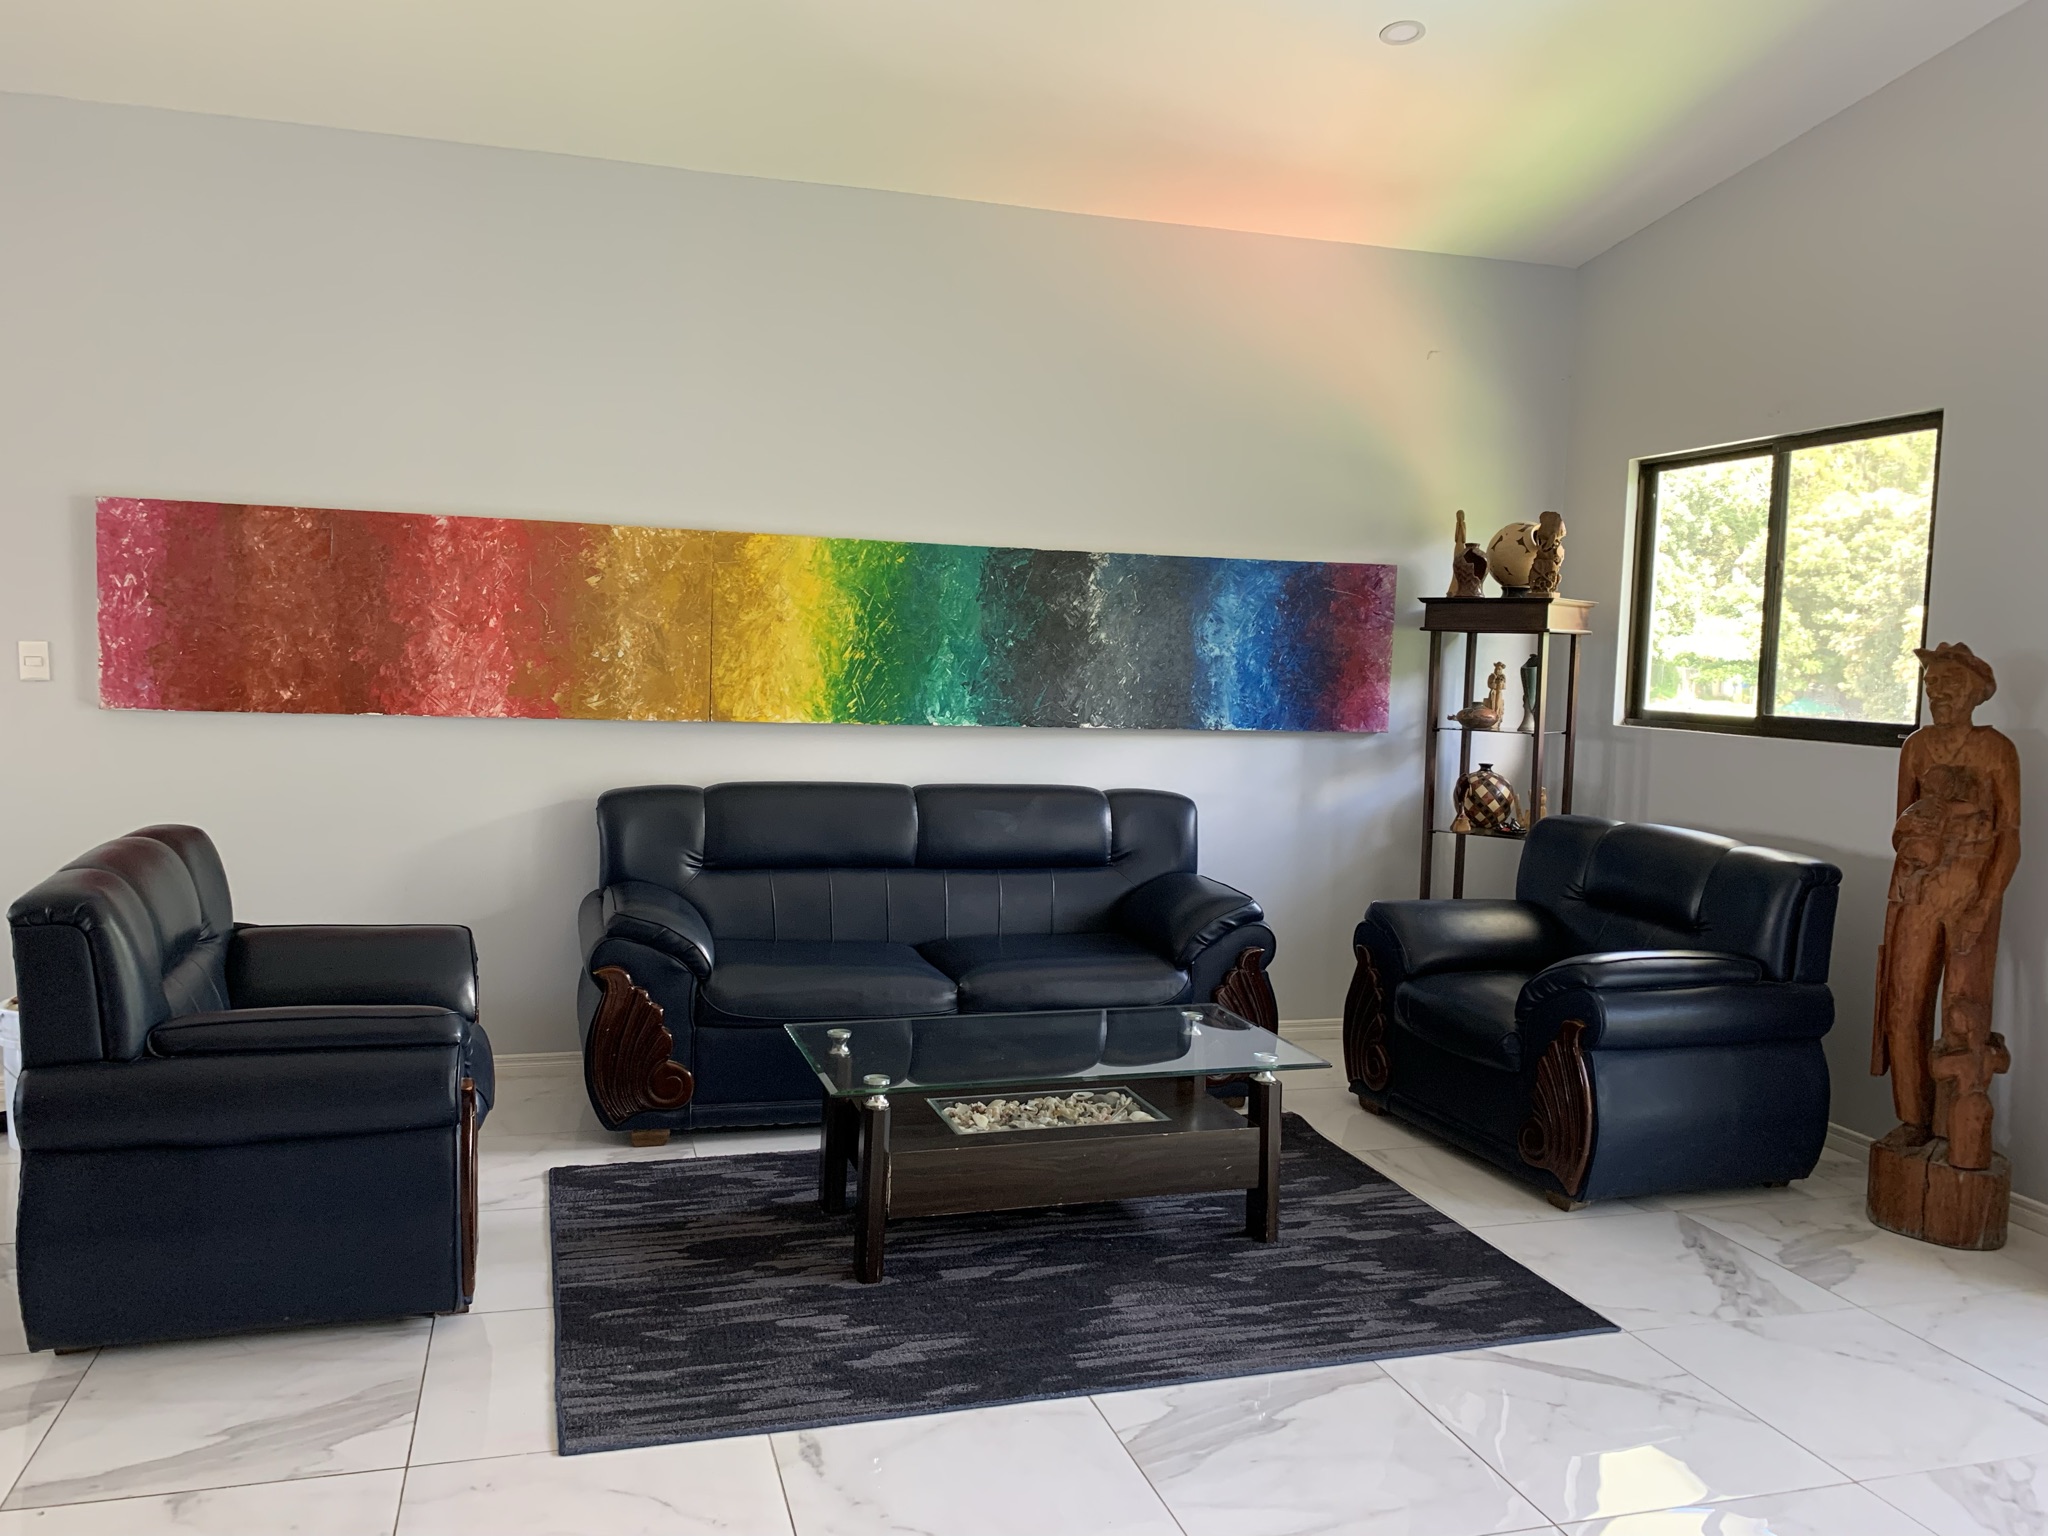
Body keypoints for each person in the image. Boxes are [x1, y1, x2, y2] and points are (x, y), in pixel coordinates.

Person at [1871, 642, 2020, 1169]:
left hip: (1971, 894)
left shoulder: (1996, 750)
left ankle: (1955, 1126)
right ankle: (1913, 1118)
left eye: (1949, 685)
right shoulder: (1916, 747)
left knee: (1963, 1011)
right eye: (1932, 685)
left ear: (1975, 693)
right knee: (1904, 1003)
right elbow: (1900, 825)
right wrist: (1920, 840)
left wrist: (1985, 903)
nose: (1938, 694)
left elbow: (2010, 837)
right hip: (1916, 891)